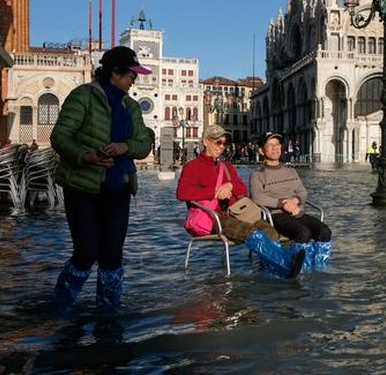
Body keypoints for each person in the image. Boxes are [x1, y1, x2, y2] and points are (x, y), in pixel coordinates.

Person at [50, 46, 154, 310]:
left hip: (118, 186)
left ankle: (108, 313)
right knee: (86, 252)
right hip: (82, 187)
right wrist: (87, 156)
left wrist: (125, 147)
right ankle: (60, 305)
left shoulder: (130, 107)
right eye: (132, 74)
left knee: (112, 255)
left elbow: (144, 144)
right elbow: (60, 137)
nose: (134, 80)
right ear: (115, 73)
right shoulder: (83, 97)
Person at [176, 124, 277, 243]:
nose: (222, 146)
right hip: (213, 217)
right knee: (253, 233)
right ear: (206, 142)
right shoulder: (192, 167)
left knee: (271, 233)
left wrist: (230, 185)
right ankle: (285, 260)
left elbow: (243, 190)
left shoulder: (227, 167)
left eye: (224, 143)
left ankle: (284, 260)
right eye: (218, 142)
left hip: (236, 213)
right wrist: (215, 192)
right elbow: (182, 193)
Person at [251, 132, 332, 244]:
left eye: (277, 144)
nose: (275, 148)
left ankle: (317, 261)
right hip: (275, 215)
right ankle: (296, 260)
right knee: (303, 232)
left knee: (324, 231)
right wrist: (283, 204)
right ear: (261, 150)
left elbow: (302, 192)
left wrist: (295, 200)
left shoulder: (291, 171)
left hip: (297, 212)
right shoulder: (257, 175)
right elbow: (257, 197)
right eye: (270, 145)